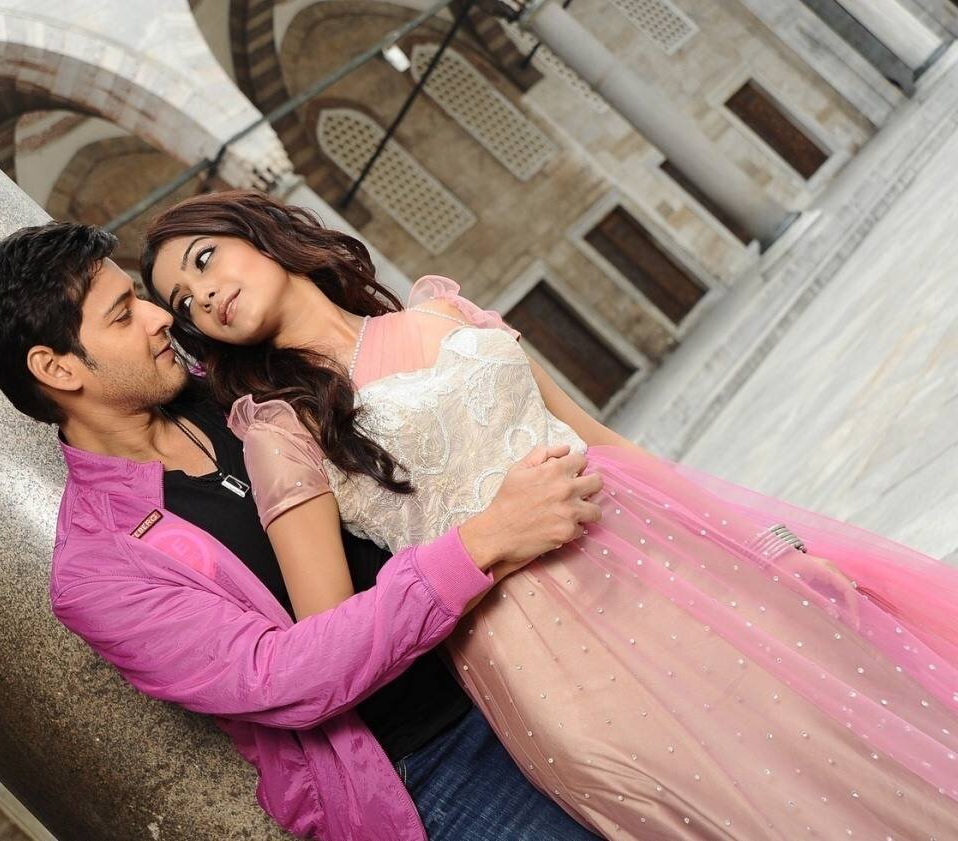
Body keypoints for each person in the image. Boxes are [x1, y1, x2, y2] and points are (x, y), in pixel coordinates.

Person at [143, 189, 958, 839]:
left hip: (670, 559)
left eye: (205, 258)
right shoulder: (283, 429)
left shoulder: (440, 311)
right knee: (755, 806)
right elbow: (337, 630)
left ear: (260, 228)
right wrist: (478, 542)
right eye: (184, 301)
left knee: (847, 747)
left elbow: (600, 439)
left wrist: (768, 545)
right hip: (546, 647)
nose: (204, 294)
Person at [0, 221, 603, 840]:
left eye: (140, 296)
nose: (160, 318)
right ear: (57, 369)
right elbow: (279, 675)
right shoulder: (98, 573)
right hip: (437, 764)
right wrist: (483, 542)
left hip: (524, 654)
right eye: (124, 315)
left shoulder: (236, 382)